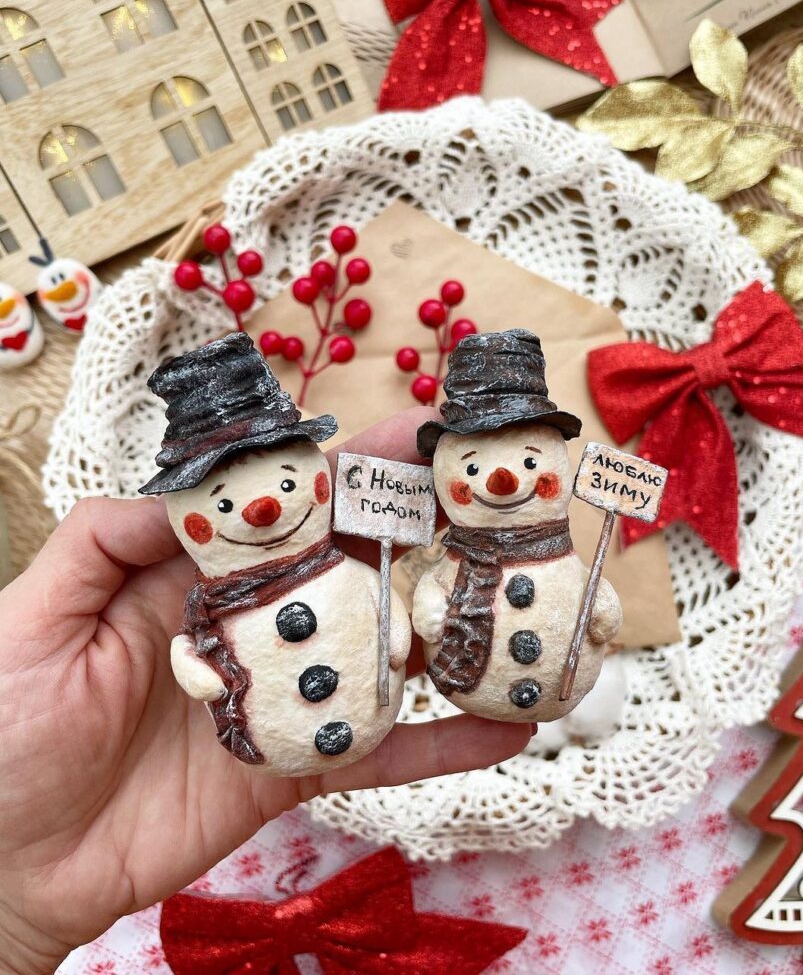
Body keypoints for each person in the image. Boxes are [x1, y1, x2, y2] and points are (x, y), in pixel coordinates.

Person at [0, 407, 532, 975]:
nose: (264, 508)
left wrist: (395, 631)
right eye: (223, 504)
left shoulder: (344, 572)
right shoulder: (210, 613)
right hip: (267, 739)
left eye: (286, 483)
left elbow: (378, 601)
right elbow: (190, 646)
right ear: (186, 518)